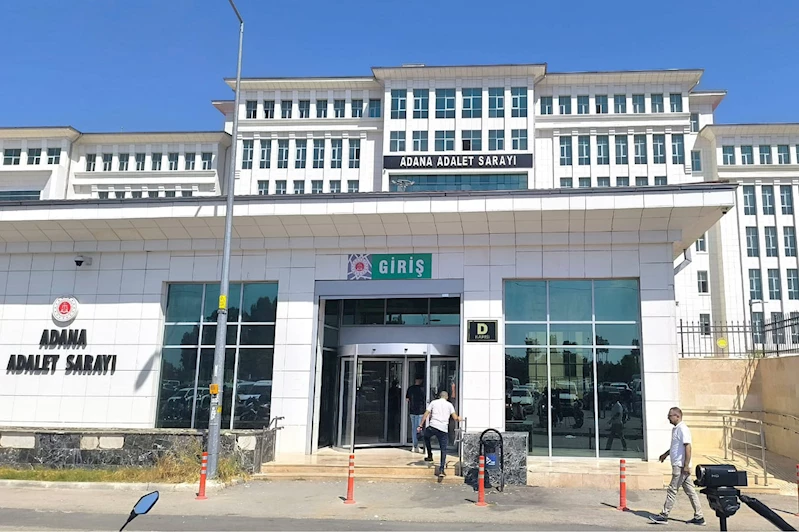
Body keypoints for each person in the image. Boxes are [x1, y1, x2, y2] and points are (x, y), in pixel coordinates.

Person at [651, 407, 705, 525]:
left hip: (680, 466)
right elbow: (676, 446)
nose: (668, 418)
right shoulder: (676, 429)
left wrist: (686, 465)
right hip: (679, 465)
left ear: (677, 416)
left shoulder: (683, 429)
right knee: (690, 491)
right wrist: (666, 454)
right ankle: (699, 516)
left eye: (670, 416)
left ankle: (664, 514)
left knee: (672, 489)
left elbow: (688, 447)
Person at [418, 391, 462, 477]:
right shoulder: (449, 405)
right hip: (443, 429)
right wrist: (459, 418)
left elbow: (426, 414)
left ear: (439, 396)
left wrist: (421, 425)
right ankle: (441, 469)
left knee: (426, 436)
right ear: (447, 397)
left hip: (433, 426)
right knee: (443, 449)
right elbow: (455, 417)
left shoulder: (433, 402)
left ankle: (430, 455)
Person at [405, 377, 426, 453]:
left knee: (414, 428)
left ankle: (415, 446)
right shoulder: (423, 389)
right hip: (420, 411)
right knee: (419, 428)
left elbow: (407, 399)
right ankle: (417, 445)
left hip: (412, 411)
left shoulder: (410, 389)